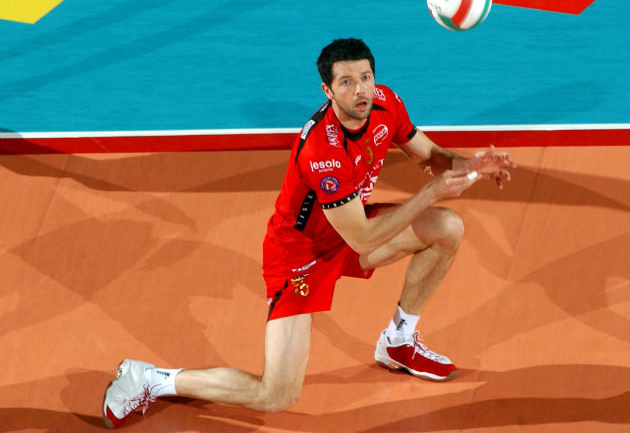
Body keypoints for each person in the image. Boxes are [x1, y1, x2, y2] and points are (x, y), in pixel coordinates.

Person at [102, 38, 515, 428]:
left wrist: (470, 165)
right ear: (327, 90)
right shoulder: (321, 150)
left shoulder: (386, 103)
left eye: (366, 77)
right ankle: (150, 379)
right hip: (300, 256)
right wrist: (429, 193)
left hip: (349, 227)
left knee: (447, 227)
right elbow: (364, 239)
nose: (360, 90)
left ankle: (399, 341)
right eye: (346, 82)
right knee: (275, 394)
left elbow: (430, 156)